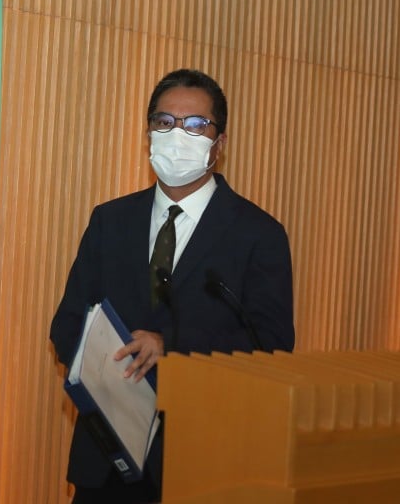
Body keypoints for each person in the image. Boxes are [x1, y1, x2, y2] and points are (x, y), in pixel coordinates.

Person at [49, 68, 294, 503]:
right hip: (107, 464)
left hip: (204, 466)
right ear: (148, 135)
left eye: (196, 125)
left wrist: (172, 347)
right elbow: (68, 323)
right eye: (164, 123)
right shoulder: (110, 220)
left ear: (218, 144)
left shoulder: (258, 234)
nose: (177, 134)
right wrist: (109, 373)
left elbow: (272, 347)